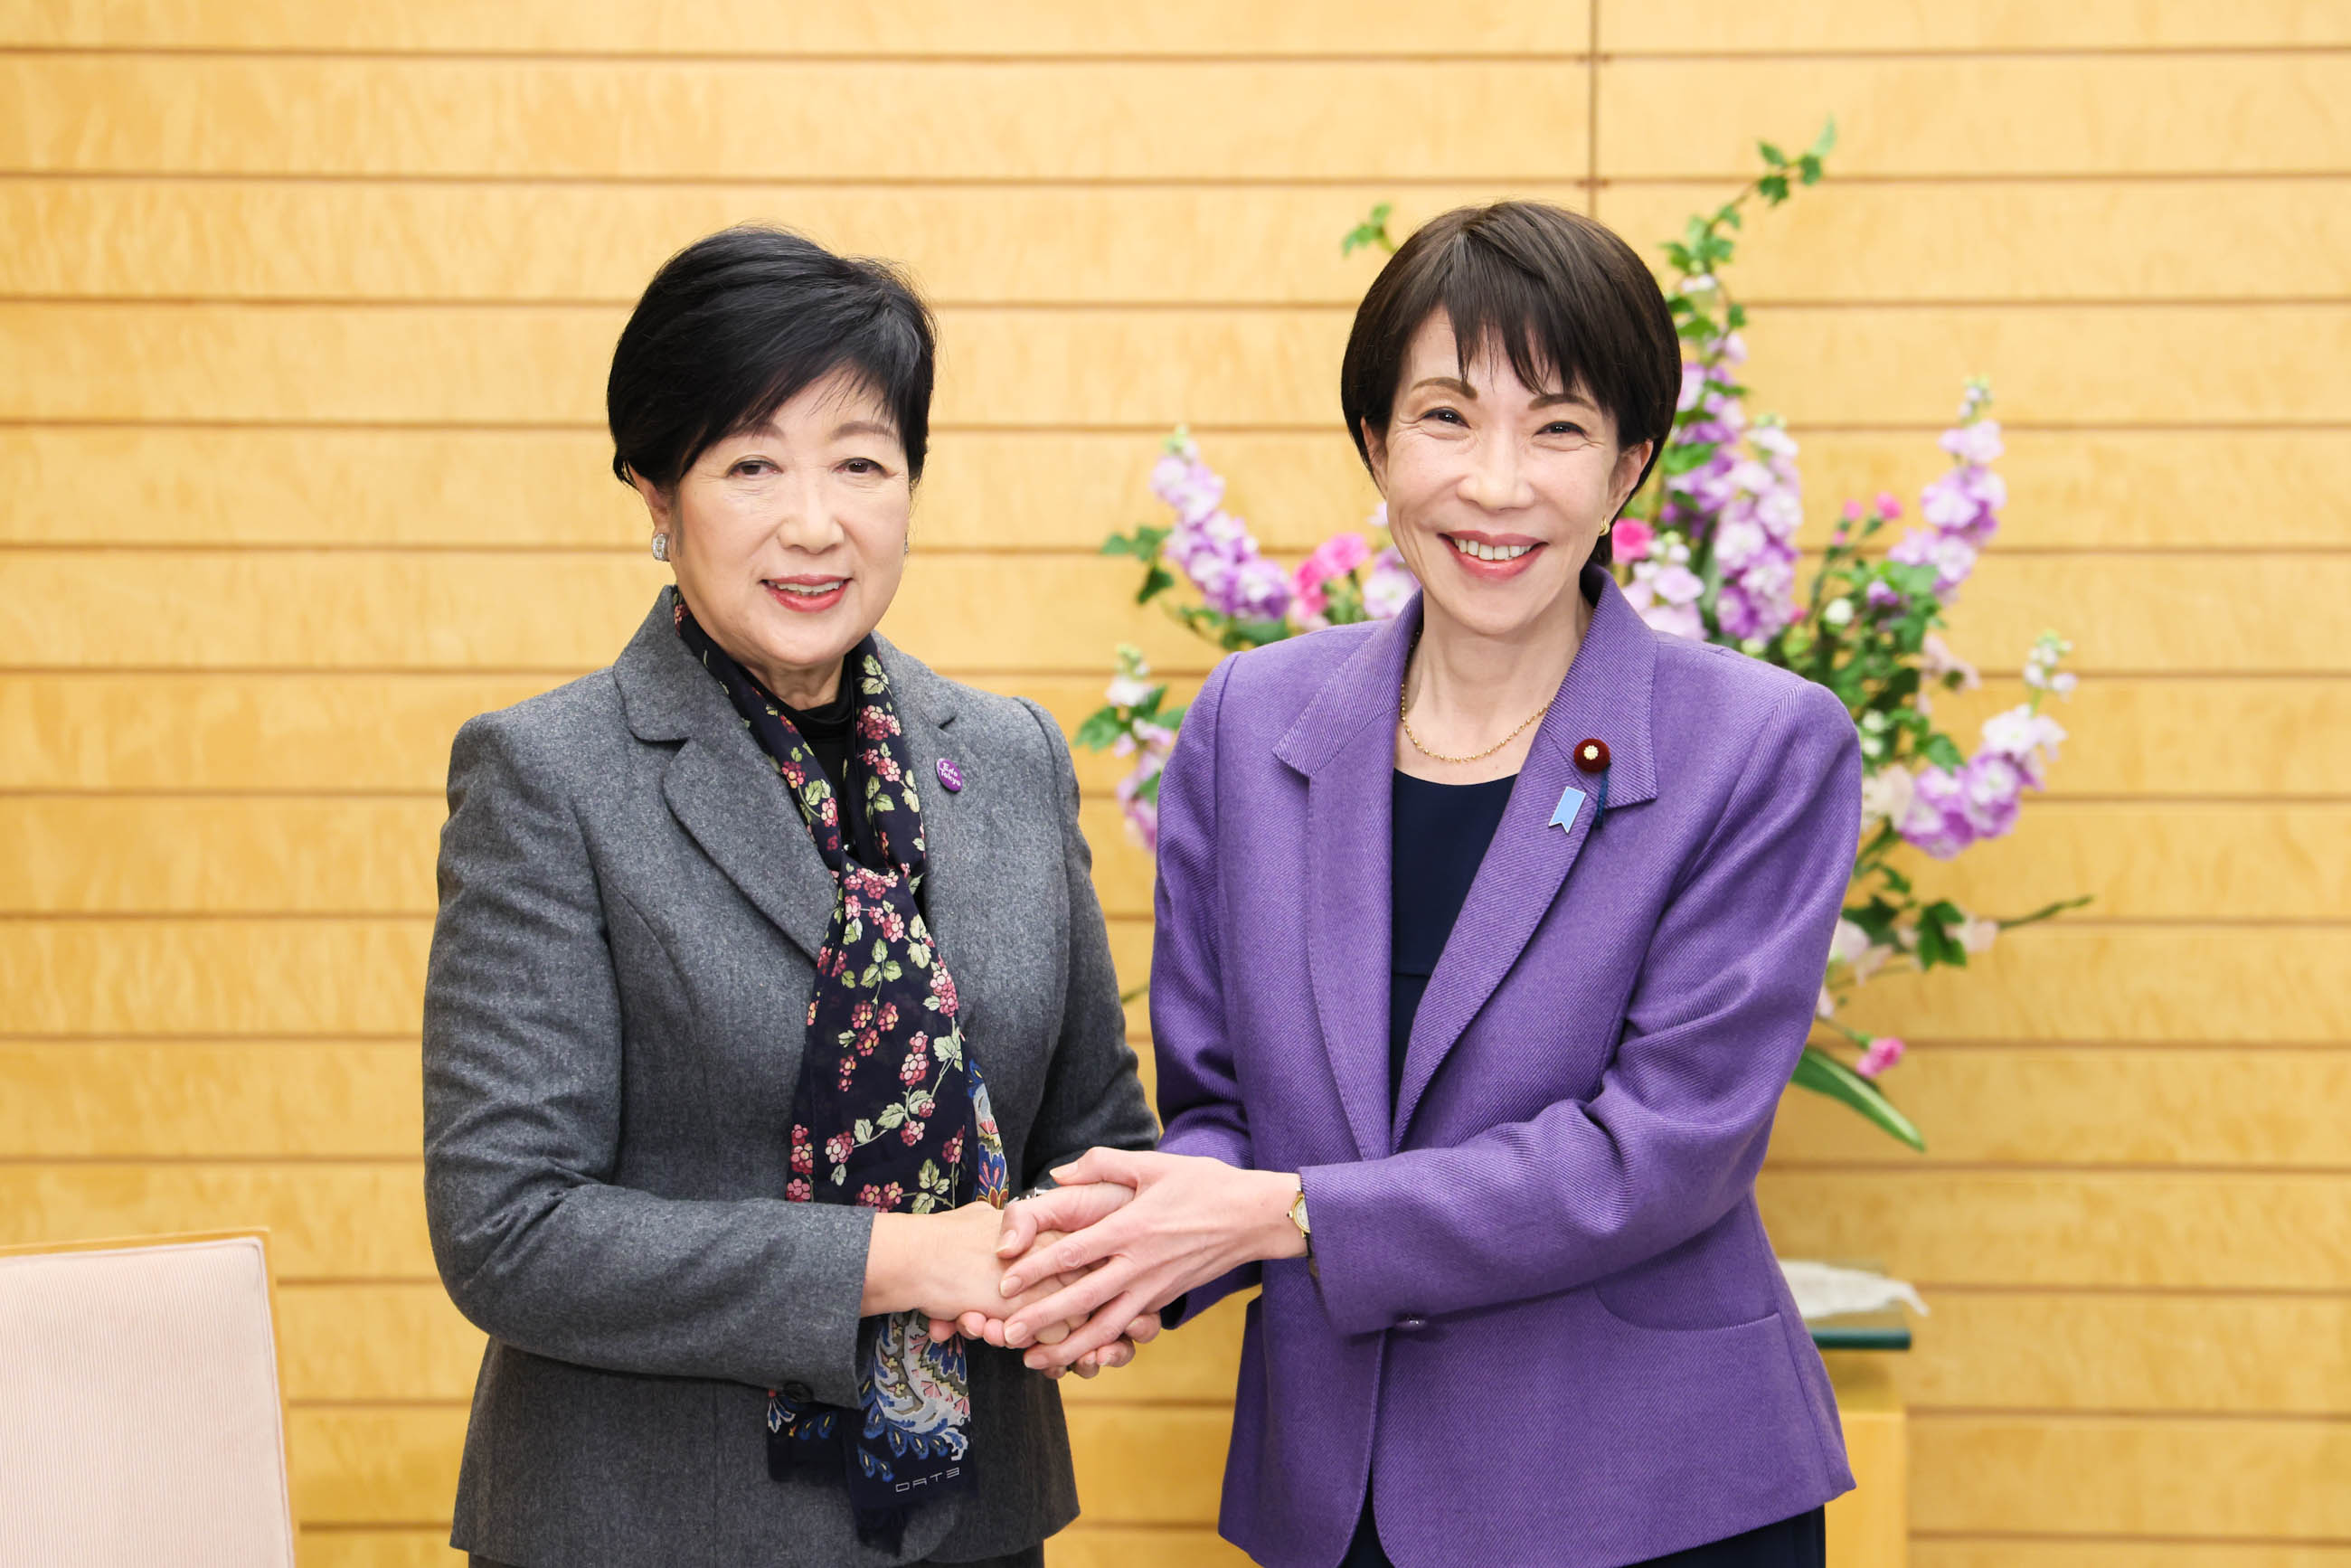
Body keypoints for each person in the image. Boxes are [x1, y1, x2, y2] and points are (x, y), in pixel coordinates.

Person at [978, 203, 1861, 1567]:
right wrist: (1102, 1252)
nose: (1496, 484)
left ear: (1630, 467)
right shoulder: (1251, 720)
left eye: (1558, 428)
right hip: (1345, 1500)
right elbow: (1224, 1117)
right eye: (1447, 418)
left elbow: (1660, 1152)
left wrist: (1287, 1214)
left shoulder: (1758, 746)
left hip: (1655, 1498)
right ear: (1377, 446)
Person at [421, 225, 1157, 1568]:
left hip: (965, 1525)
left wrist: (1098, 1266)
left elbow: (1092, 1126)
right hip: (645, 1527)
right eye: (750, 463)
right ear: (656, 492)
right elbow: (508, 1227)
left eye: (862, 463)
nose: (814, 521)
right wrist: (902, 1260)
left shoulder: (1007, 757)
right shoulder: (550, 776)